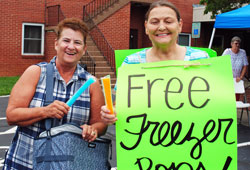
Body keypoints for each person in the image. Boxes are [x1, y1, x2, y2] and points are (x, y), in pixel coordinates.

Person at [3, 18, 107, 170]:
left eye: (77, 42)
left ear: (84, 49)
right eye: (66, 40)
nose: (71, 47)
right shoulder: (37, 73)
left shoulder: (91, 83)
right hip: (25, 163)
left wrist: (93, 130)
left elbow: (101, 124)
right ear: (56, 44)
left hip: (69, 164)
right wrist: (45, 111)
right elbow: (12, 116)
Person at [100, 0, 209, 125]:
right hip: (145, 139)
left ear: (180, 25)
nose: (161, 27)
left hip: (191, 139)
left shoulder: (201, 58)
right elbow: (120, 104)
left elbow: (215, 102)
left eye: (168, 21)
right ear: (146, 27)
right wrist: (112, 113)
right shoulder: (132, 62)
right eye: (154, 22)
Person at [222, 36, 248, 100]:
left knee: (236, 97)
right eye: (236, 43)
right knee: (227, 96)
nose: (238, 45)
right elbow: (222, 63)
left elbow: (245, 65)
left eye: (239, 44)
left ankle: (234, 109)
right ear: (231, 44)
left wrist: (241, 77)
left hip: (237, 78)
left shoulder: (242, 52)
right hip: (227, 78)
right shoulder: (227, 51)